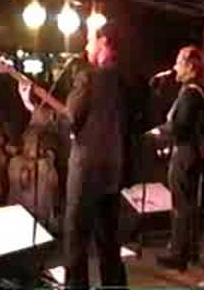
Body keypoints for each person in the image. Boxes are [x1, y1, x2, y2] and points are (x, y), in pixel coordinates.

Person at [17, 24, 128, 288]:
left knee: (75, 239)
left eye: (90, 41)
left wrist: (32, 105)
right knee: (109, 242)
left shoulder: (87, 76)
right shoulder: (124, 79)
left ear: (103, 42)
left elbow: (68, 121)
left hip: (87, 169)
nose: (86, 46)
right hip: (114, 169)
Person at [147, 45, 204, 271]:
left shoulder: (190, 93)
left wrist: (158, 132)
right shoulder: (203, 91)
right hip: (196, 152)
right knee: (190, 203)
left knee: (180, 204)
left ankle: (178, 254)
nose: (174, 67)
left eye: (178, 62)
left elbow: (179, 126)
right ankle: (191, 251)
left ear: (190, 66)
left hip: (185, 152)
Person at [7, 127, 59, 231]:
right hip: (20, 215)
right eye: (28, 141)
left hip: (41, 217)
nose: (30, 145)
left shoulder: (44, 164)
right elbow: (21, 183)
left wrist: (51, 164)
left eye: (33, 142)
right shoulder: (14, 162)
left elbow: (53, 185)